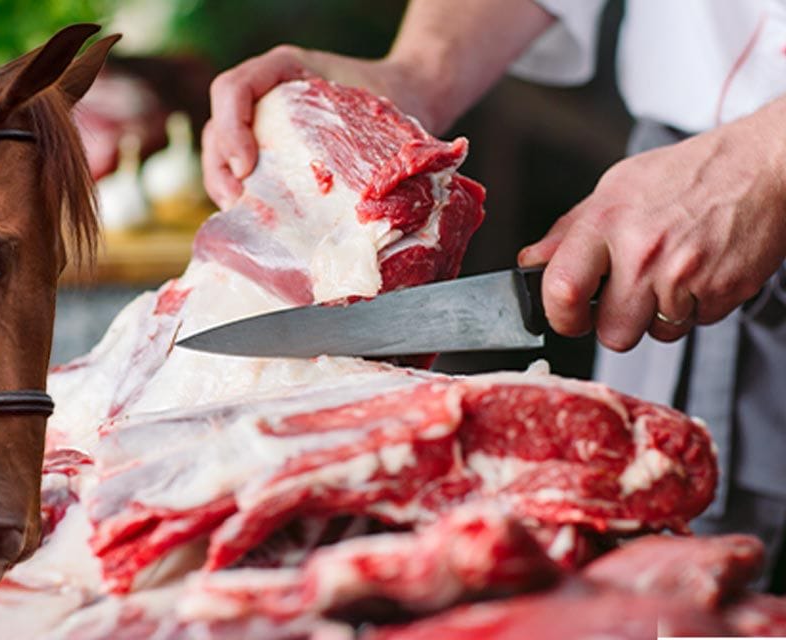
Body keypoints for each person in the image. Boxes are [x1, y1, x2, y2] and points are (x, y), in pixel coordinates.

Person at [202, 0, 786, 591]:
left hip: (715, 187)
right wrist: (420, 71)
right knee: (670, 598)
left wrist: (767, 157)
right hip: (670, 212)